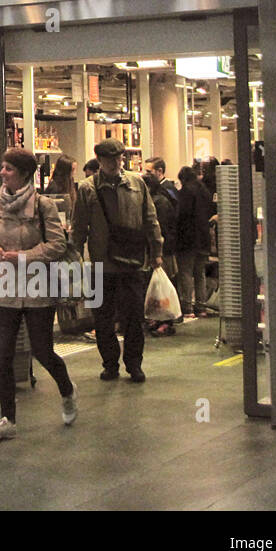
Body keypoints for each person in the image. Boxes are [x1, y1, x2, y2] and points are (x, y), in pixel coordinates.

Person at [0, 147, 77, 441]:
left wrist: (22, 256)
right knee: (2, 353)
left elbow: (57, 245)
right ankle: (8, 419)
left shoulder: (43, 205)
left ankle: (67, 390)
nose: (2, 172)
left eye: (8, 168)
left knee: (43, 350)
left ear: (23, 173)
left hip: (37, 285)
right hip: (4, 286)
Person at [72, 139, 164, 382]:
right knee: (102, 319)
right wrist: (75, 258)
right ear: (100, 161)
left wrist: (157, 250)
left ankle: (134, 364)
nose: (116, 163)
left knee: (134, 317)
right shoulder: (87, 188)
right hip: (101, 265)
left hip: (132, 262)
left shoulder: (136, 184)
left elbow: (150, 218)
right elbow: (79, 227)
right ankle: (110, 364)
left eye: (119, 158)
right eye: (110, 159)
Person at [142, 169, 179, 335]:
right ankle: (157, 319)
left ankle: (166, 321)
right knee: (157, 287)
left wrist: (157, 251)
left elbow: (160, 228)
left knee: (162, 286)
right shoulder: (158, 201)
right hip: (160, 249)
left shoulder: (160, 203)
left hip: (163, 250)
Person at [174, 165, 214, 319]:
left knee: (186, 273)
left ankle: (187, 307)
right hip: (203, 238)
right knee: (200, 273)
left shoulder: (185, 193)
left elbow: (181, 216)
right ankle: (201, 306)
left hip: (187, 239)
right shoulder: (204, 191)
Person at [43, 154, 78, 221]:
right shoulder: (55, 186)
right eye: (73, 170)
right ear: (66, 170)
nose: (75, 172)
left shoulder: (70, 183)